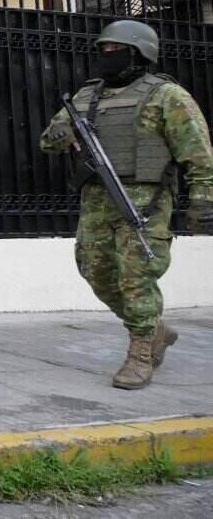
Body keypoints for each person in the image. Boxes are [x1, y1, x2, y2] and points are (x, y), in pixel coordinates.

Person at [40, 20, 213, 390]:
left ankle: (140, 354)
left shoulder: (167, 96)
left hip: (145, 201)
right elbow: (48, 142)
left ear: (138, 54)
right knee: (96, 271)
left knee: (137, 277)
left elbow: (197, 154)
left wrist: (202, 201)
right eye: (103, 50)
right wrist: (66, 135)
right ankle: (155, 329)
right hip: (97, 197)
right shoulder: (87, 98)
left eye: (115, 50)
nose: (107, 56)